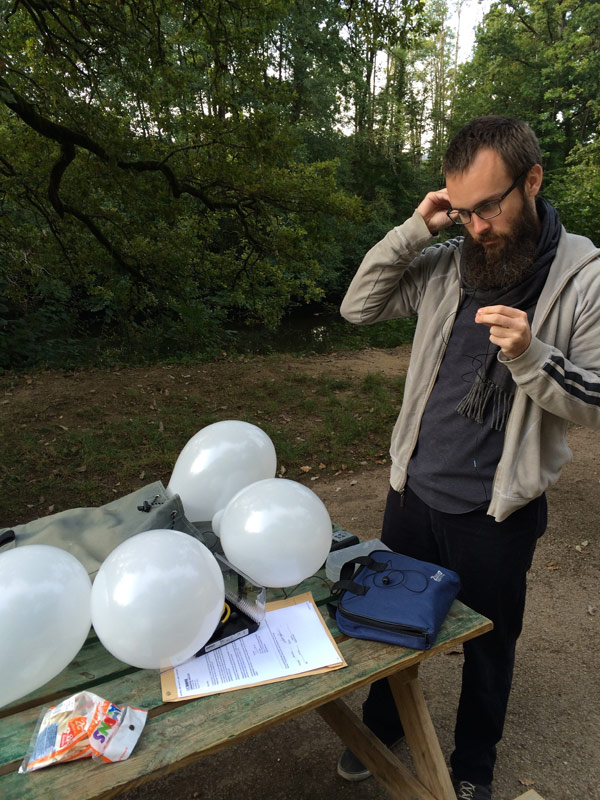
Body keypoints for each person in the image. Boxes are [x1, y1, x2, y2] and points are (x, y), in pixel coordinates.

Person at [337, 116, 600, 800]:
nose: (478, 225)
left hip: (497, 510)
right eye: (464, 210)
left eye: (490, 206)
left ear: (533, 180)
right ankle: (382, 726)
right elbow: (358, 307)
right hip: (414, 491)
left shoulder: (585, 277)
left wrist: (531, 356)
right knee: (394, 629)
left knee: (488, 646)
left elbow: (596, 398)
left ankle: (474, 763)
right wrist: (417, 228)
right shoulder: (450, 261)